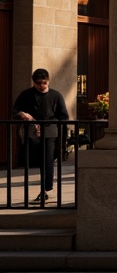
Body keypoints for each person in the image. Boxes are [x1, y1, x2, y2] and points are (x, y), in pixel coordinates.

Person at [12, 68, 69, 205]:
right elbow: (15, 110)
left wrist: (49, 124)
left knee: (47, 160)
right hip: (32, 132)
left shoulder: (56, 95)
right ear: (34, 82)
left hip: (50, 132)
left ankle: (45, 190)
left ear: (48, 80)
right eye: (38, 83)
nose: (42, 86)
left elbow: (64, 116)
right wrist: (22, 114)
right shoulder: (26, 95)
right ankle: (45, 189)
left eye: (44, 82)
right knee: (36, 159)